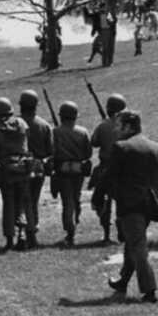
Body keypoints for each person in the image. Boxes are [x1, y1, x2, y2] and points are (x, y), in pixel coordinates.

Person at [105, 110, 158, 304]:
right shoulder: (157, 148)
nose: (116, 129)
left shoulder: (121, 147)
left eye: (119, 125)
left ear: (129, 127)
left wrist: (105, 197)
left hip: (130, 205)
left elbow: (110, 177)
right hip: (150, 205)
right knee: (133, 242)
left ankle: (149, 290)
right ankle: (123, 281)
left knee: (138, 246)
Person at [0, 98, 32, 251]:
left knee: (9, 204)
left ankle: (10, 239)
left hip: (6, 170)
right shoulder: (21, 124)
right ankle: (22, 233)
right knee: (21, 204)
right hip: (22, 167)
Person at [52, 101, 92, 247]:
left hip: (62, 171)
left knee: (67, 201)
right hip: (78, 170)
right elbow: (88, 152)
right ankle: (75, 220)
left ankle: (70, 230)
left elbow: (53, 151)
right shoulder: (82, 131)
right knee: (76, 197)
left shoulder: (55, 132)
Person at [90, 94, 127, 244]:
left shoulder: (103, 125)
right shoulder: (126, 126)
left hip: (105, 167)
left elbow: (94, 142)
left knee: (104, 201)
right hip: (123, 169)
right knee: (122, 201)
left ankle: (106, 233)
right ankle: (121, 229)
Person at [17, 90, 52, 248]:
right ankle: (31, 231)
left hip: (19, 167)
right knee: (33, 200)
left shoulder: (15, 123)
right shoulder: (44, 125)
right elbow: (50, 150)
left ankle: (24, 232)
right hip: (38, 168)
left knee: (22, 201)